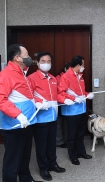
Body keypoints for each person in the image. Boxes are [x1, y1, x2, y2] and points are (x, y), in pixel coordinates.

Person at [0, 44, 41, 182]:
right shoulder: (6, 75)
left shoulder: (22, 74)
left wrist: (38, 101)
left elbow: (27, 95)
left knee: (25, 156)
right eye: (26, 54)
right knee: (12, 160)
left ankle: (26, 179)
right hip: (14, 126)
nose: (29, 57)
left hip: (27, 123)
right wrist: (18, 115)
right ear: (17, 58)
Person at [28, 52, 66, 181]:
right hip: (40, 119)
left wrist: (65, 100)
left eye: (48, 61)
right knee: (41, 145)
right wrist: (39, 102)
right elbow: (29, 96)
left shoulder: (54, 79)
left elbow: (58, 95)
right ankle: (43, 168)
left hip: (53, 117)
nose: (46, 64)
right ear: (37, 63)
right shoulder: (31, 78)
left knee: (51, 143)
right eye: (43, 61)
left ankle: (52, 164)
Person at [57, 55, 94, 165]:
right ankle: (73, 156)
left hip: (81, 110)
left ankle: (81, 152)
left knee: (81, 133)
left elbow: (80, 93)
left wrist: (88, 94)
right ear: (78, 65)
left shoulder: (80, 77)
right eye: (83, 65)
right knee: (72, 135)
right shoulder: (66, 77)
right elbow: (60, 93)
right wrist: (73, 99)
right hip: (71, 111)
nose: (84, 67)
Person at [55, 62, 70, 148]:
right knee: (59, 123)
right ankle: (59, 141)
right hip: (60, 103)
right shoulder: (58, 78)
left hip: (68, 103)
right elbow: (58, 92)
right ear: (65, 69)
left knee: (66, 123)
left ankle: (66, 139)